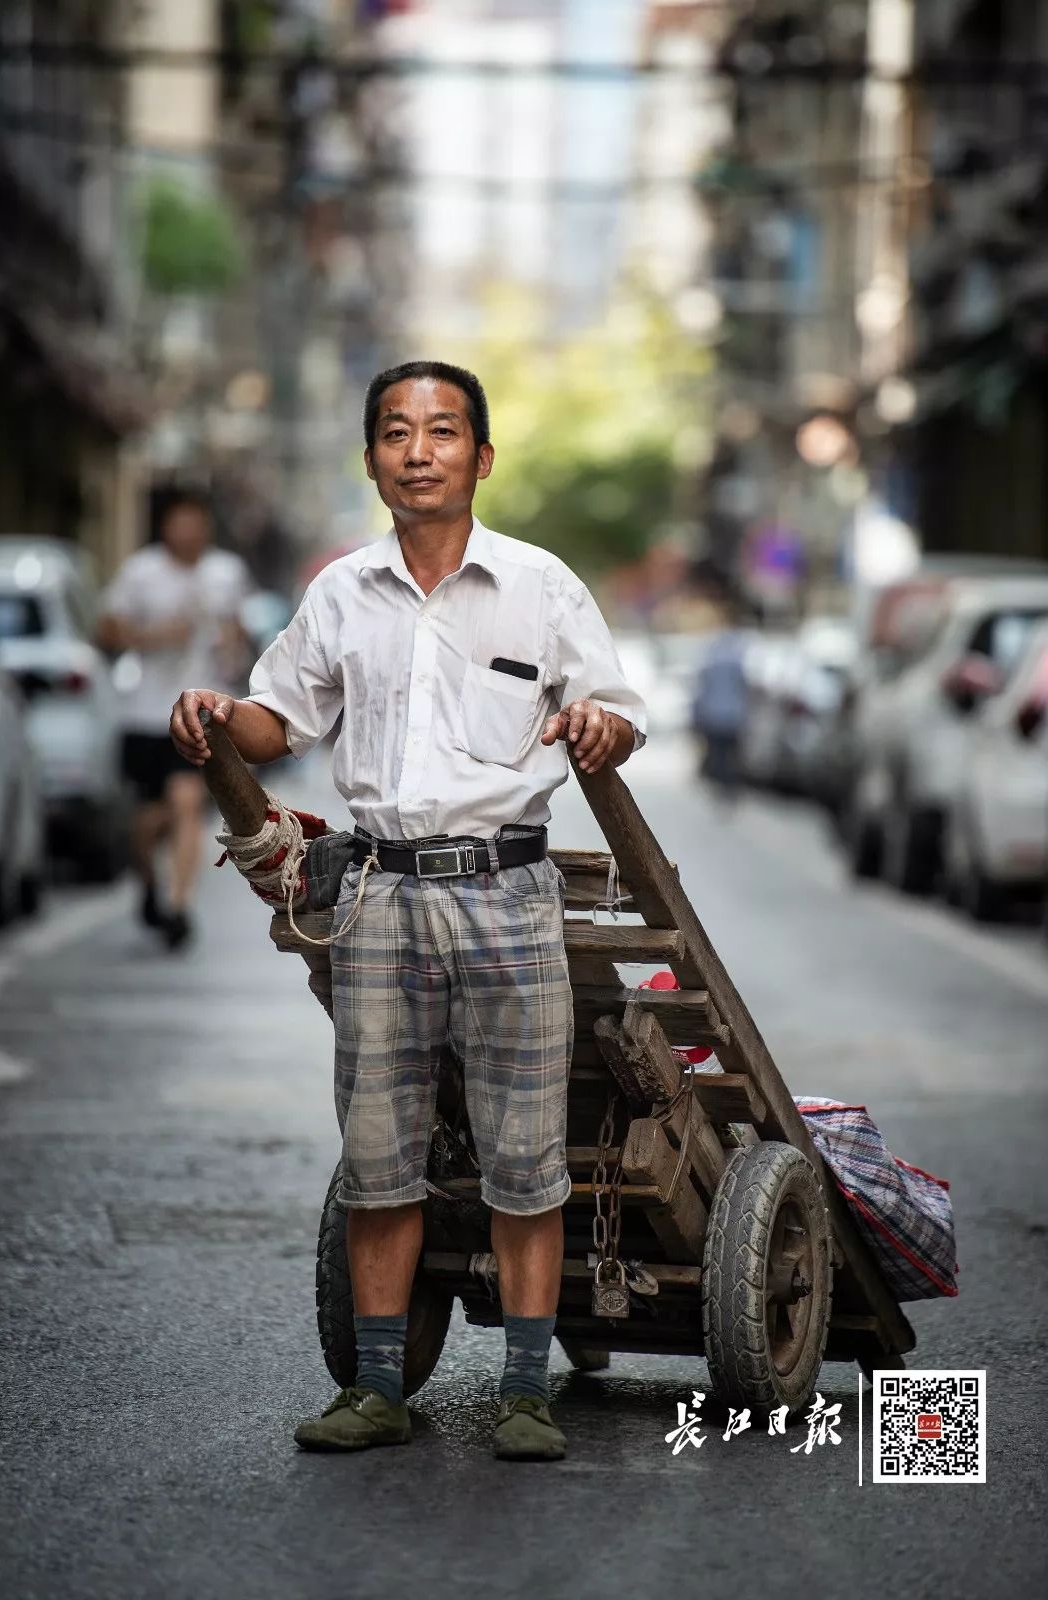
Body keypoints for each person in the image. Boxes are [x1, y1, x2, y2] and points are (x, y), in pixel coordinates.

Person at [169, 360, 646, 1462]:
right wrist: (213, 712)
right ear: (373, 456)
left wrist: (598, 729)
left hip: (508, 892)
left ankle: (526, 1391)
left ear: (481, 457)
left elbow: (614, 712)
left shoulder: (540, 585)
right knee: (379, 1149)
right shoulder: (342, 592)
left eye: (441, 432)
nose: (417, 450)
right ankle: (378, 1386)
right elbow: (274, 720)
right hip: (381, 894)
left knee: (527, 1157)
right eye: (395, 432)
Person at [100, 488, 252, 949]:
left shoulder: (226, 573)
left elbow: (240, 631)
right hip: (146, 714)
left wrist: (231, 642)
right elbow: (106, 629)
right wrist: (154, 636)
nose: (187, 532)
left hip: (198, 715)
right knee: (146, 823)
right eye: (178, 522)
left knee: (187, 804)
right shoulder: (141, 572)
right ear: (165, 526)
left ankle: (180, 907)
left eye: (196, 522)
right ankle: (148, 881)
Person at [691, 602, 749, 801]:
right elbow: (744, 685)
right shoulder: (736, 657)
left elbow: (702, 687)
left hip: (715, 715)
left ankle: (721, 786)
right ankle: (728, 787)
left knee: (718, 754)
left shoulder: (712, 656)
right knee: (730, 755)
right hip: (732, 715)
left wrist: (698, 715)